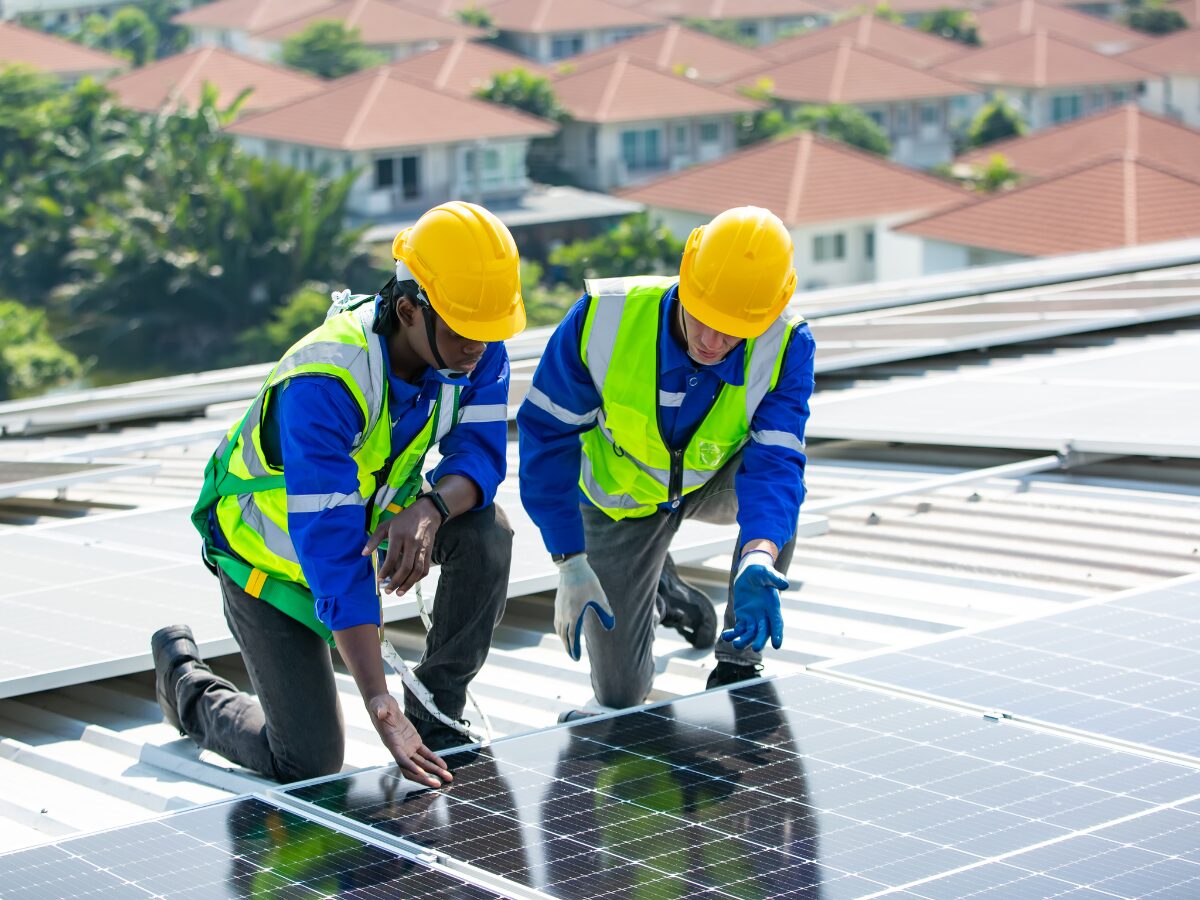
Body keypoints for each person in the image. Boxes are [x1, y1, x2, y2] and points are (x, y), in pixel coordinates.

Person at [152, 201, 523, 787]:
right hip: (269, 564)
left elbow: (479, 451)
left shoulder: (471, 344)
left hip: (361, 530)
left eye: (490, 331)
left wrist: (431, 507)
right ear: (408, 310)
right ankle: (186, 686)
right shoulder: (326, 380)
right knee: (307, 761)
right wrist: (377, 701)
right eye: (464, 330)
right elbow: (329, 544)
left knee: (486, 529)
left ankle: (435, 710)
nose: (481, 347)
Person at [517, 206, 815, 711]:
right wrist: (567, 559)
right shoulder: (602, 319)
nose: (714, 341)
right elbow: (546, 438)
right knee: (620, 694)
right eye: (706, 318)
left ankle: (738, 660)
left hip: (710, 482)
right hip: (621, 502)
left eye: (735, 330)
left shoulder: (786, 344)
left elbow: (777, 463)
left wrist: (759, 552)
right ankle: (661, 586)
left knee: (780, 507)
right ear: (685, 280)